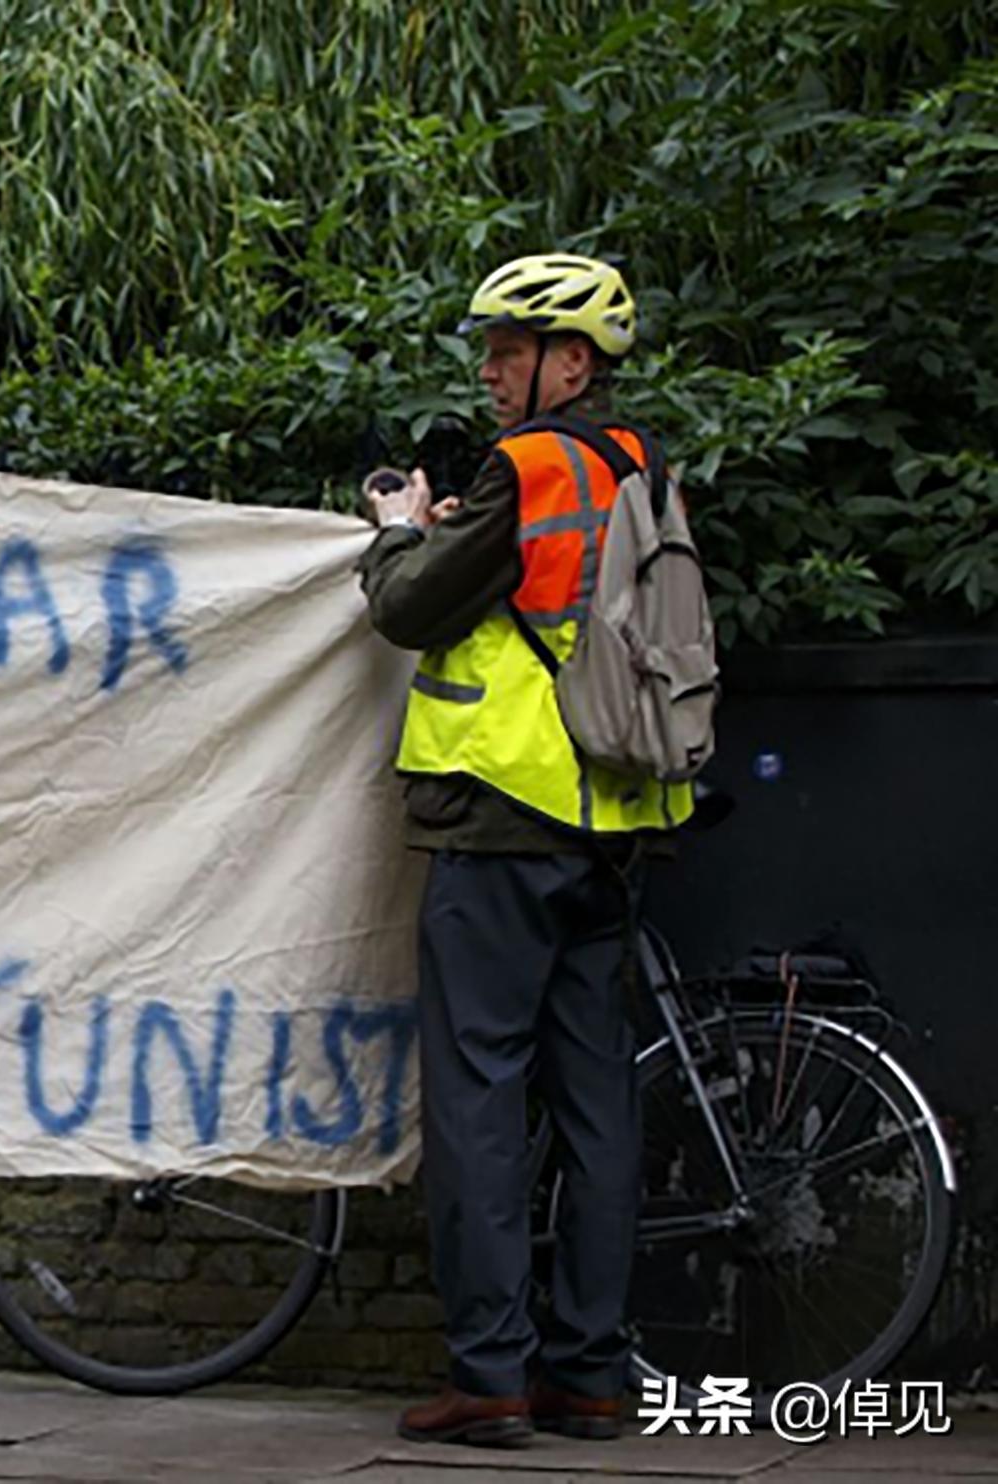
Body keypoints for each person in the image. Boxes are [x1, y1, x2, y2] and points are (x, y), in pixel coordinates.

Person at [357, 254, 694, 1448]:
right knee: (597, 1106)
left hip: (499, 819)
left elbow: (409, 607)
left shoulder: (527, 465)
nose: (492, 368)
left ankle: (489, 1375)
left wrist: (397, 531)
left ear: (574, 362)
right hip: (609, 825)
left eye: (514, 347)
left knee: (479, 1101)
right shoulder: (636, 463)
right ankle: (589, 1378)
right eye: (492, 346)